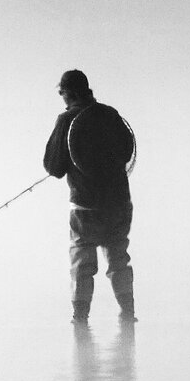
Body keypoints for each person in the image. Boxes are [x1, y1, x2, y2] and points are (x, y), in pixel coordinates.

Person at [43, 70, 136, 324]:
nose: (61, 97)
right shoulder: (110, 115)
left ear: (69, 92)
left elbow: (53, 167)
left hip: (85, 207)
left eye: (61, 93)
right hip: (119, 203)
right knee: (119, 258)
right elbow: (127, 151)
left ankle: (80, 318)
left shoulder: (66, 120)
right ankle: (129, 313)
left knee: (82, 262)